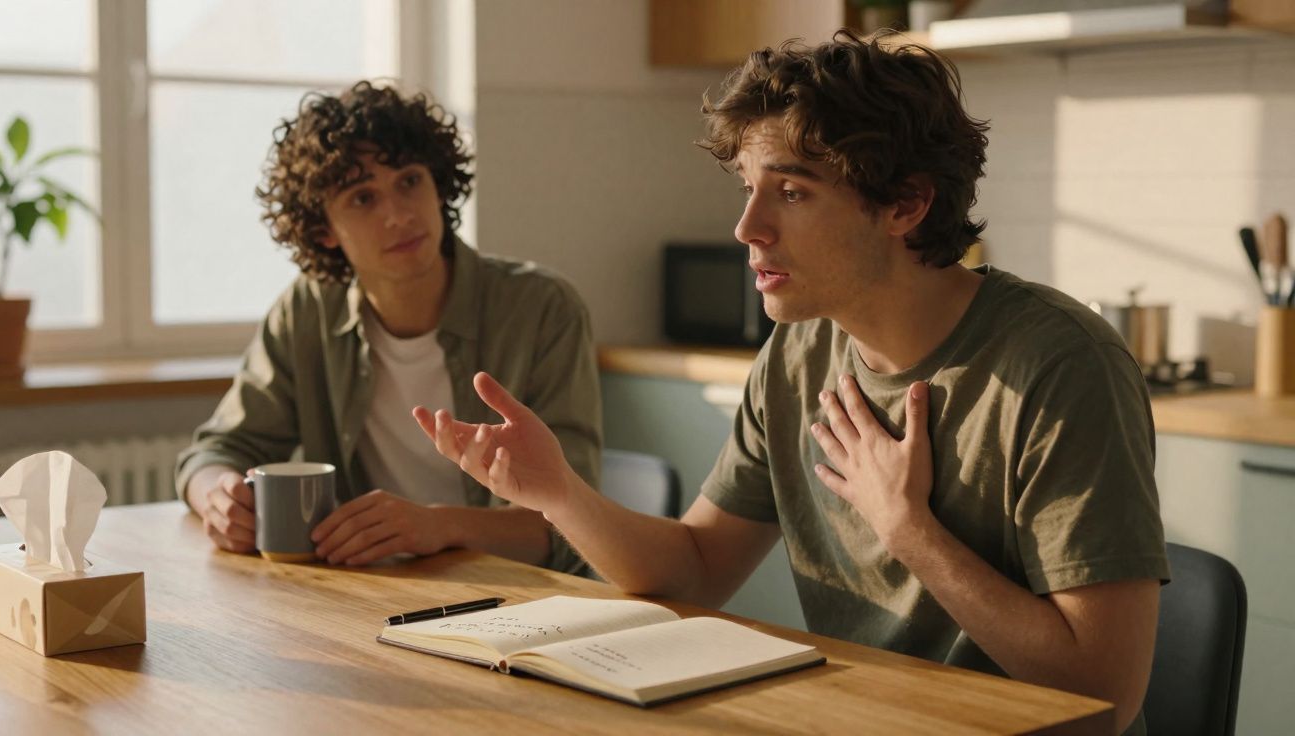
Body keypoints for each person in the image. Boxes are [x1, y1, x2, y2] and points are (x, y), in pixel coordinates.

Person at [414, 31, 1167, 735]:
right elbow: (697, 570)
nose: (747, 227)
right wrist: (559, 493)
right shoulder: (797, 351)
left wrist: (909, 531)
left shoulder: (1061, 366)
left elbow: (1102, 695)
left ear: (905, 204)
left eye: (792, 192)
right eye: (747, 186)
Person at [176, 81, 601, 574]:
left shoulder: (542, 309)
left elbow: (574, 523)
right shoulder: (309, 310)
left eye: (409, 181)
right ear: (324, 230)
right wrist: (217, 498)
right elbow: (215, 451)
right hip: (373, 593)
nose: (399, 215)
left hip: (523, 601)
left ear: (438, 183)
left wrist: (439, 526)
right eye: (363, 198)